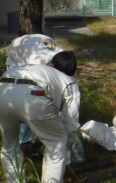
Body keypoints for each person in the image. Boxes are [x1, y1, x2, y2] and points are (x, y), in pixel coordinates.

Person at [0, 51, 80, 183]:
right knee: (56, 146)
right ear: (73, 72)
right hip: (34, 97)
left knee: (9, 146)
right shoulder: (69, 82)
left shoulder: (36, 69)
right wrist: (66, 145)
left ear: (51, 64)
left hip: (0, 94)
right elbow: (71, 124)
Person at [5, 33, 85, 163]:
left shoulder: (66, 62)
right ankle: (23, 143)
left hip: (37, 44)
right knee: (27, 102)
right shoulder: (37, 66)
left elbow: (68, 96)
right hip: (18, 53)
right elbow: (34, 97)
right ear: (52, 68)